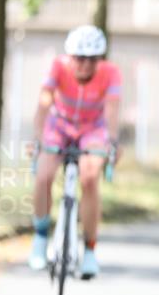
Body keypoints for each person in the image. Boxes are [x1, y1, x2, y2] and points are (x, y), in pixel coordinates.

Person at [28, 25, 121, 278]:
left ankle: (89, 250)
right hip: (59, 125)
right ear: (69, 56)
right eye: (79, 58)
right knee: (44, 176)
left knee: (90, 178)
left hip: (93, 128)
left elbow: (112, 109)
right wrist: (37, 138)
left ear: (100, 59)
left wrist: (112, 141)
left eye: (92, 59)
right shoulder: (57, 66)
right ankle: (40, 238)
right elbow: (44, 101)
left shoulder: (111, 73)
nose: (85, 66)